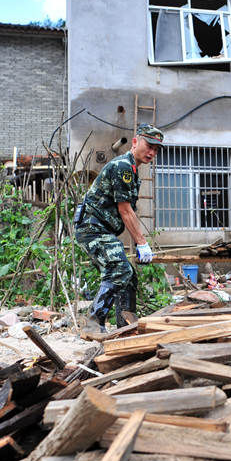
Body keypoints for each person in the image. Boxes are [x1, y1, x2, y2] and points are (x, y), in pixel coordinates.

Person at [74, 123, 164, 332]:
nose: (152, 152)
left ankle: (126, 327)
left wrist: (140, 243)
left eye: (156, 149)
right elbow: (125, 211)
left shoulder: (132, 170)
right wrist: (142, 243)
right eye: (148, 145)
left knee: (128, 276)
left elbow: (127, 214)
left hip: (102, 230)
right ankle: (94, 323)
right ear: (135, 142)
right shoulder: (123, 166)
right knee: (119, 269)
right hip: (92, 228)